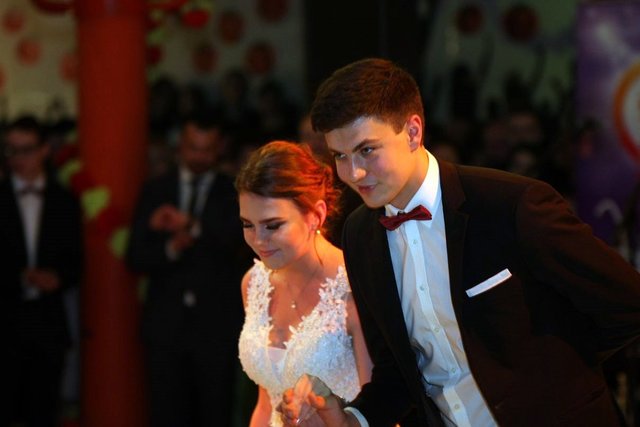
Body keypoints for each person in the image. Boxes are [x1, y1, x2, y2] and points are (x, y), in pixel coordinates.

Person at [280, 58, 640, 427]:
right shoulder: (360, 235)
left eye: (367, 150)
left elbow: (627, 301)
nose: (353, 172)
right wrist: (351, 418)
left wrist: (560, 380)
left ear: (413, 132)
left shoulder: (511, 205)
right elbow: (396, 369)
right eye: (340, 156)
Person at [235, 140, 373, 426]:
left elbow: (381, 412)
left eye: (273, 225)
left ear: (316, 215)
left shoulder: (356, 286)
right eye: (248, 224)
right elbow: (265, 405)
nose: (259, 240)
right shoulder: (253, 284)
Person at [125, 114, 251, 427]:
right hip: (166, 326)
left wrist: (193, 226)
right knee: (166, 412)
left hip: (216, 326)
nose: (199, 157)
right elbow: (135, 256)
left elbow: (239, 246)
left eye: (207, 150)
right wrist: (170, 248)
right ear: (180, 147)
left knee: (215, 411)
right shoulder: (157, 189)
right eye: (193, 148)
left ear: (218, 149)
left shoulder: (233, 191)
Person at [0, 115, 83, 427]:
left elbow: (76, 263)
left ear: (44, 150)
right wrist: (20, 277)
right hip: (5, 321)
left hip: (48, 325)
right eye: (11, 150)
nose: (17, 159)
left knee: (44, 411)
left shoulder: (65, 202)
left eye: (26, 150)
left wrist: (57, 278)